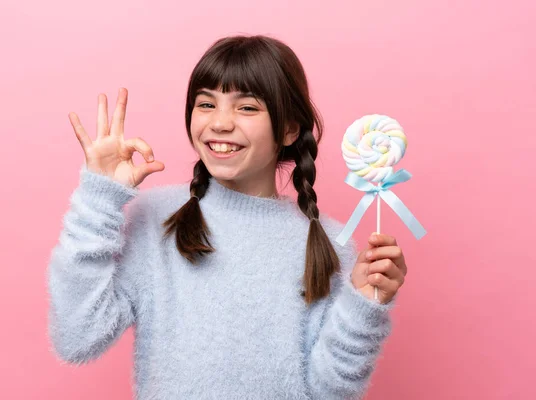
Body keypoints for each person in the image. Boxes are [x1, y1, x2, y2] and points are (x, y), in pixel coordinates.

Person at [47, 34, 408, 400]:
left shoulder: (329, 243)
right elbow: (78, 339)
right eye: (206, 104)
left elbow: (331, 392)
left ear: (289, 128)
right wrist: (98, 200)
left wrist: (364, 304)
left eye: (246, 108)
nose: (219, 123)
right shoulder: (156, 219)